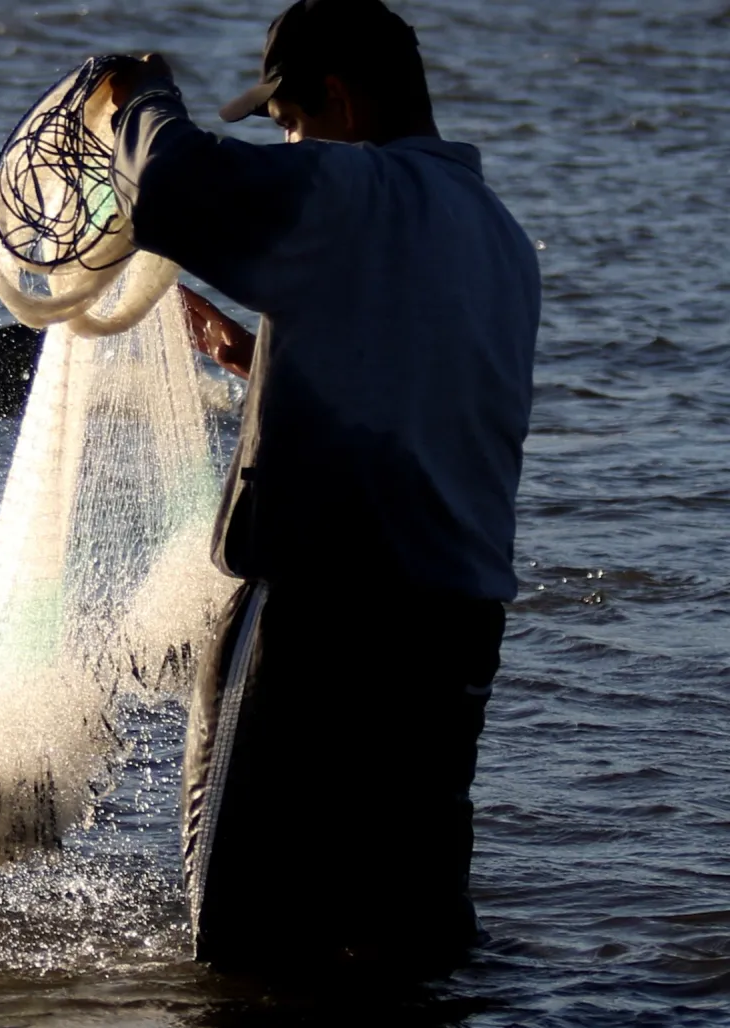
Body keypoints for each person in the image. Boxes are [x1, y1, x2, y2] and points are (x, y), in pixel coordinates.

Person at [106, 0, 541, 974]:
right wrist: (249, 352)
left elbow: (171, 188)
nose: (291, 147)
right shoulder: (498, 238)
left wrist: (141, 91)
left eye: (291, 124)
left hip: (320, 628)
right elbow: (416, 382)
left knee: (241, 946)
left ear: (338, 104)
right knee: (403, 939)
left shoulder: (350, 186)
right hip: (451, 640)